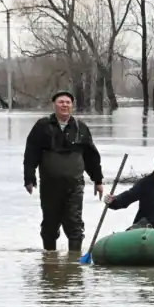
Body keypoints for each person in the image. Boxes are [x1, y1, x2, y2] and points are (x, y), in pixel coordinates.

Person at [23, 90, 104, 252]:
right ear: (54, 105)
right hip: (49, 185)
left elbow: (91, 156)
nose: (64, 105)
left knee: (74, 225)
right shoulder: (42, 126)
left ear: (72, 106)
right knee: (50, 225)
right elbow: (31, 153)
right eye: (61, 102)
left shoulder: (80, 127)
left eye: (68, 102)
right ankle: (49, 261)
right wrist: (29, 178)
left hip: (74, 185)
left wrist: (98, 180)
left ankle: (74, 264)